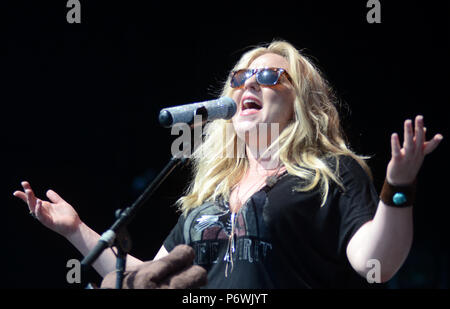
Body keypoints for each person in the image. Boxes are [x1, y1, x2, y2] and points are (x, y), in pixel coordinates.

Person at [13, 40, 443, 289]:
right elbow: (152, 277)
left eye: (271, 76)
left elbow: (377, 264)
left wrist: (397, 188)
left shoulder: (326, 173)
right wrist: (75, 230)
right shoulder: (213, 195)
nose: (250, 82)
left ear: (300, 103)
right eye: (239, 78)